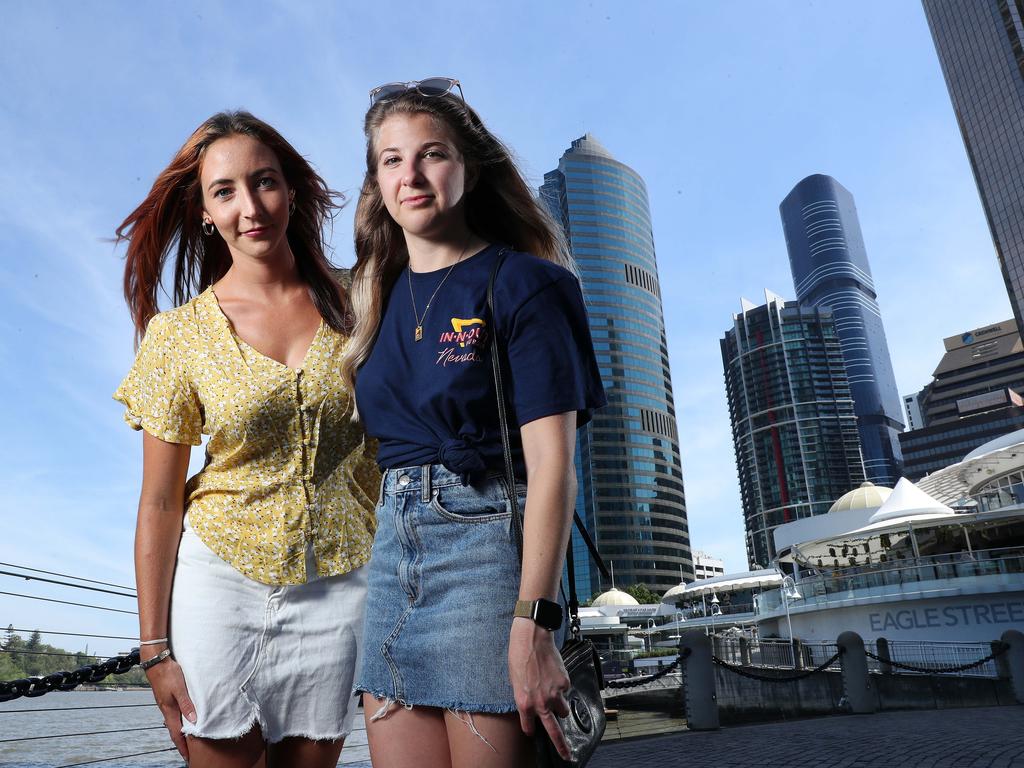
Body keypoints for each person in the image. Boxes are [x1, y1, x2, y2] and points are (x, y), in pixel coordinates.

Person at [341, 79, 607, 767]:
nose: (412, 174)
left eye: (432, 154)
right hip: (392, 558)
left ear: (470, 165)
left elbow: (554, 468)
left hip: (485, 555)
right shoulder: (372, 300)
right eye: (391, 160)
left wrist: (534, 622)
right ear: (376, 180)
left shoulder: (525, 283)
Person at [113, 111, 379, 768]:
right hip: (218, 585)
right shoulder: (178, 336)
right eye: (225, 191)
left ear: (291, 190)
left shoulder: (362, 306)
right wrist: (154, 649)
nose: (250, 207)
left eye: (264, 182)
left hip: (341, 588)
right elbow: (159, 503)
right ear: (204, 211)